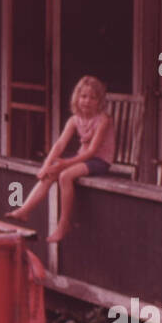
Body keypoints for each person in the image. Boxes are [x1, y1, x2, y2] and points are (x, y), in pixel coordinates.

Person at [6, 75, 114, 243]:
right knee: (51, 172)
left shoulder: (103, 120)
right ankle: (25, 209)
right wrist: (46, 165)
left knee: (65, 175)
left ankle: (64, 224)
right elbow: (59, 145)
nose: (87, 101)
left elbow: (92, 151)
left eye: (92, 98)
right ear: (77, 98)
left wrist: (65, 164)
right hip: (82, 159)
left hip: (99, 161)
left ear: (99, 101)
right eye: (83, 96)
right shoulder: (74, 120)